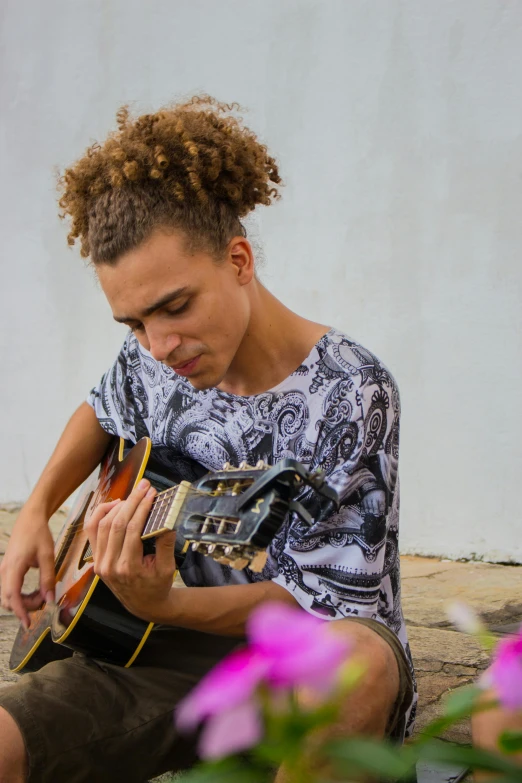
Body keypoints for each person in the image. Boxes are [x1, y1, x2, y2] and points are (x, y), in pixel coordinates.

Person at [0, 96, 416, 783]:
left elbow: (320, 606)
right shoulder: (154, 359)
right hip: (151, 654)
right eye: (133, 323)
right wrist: (38, 512)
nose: (159, 345)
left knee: (354, 662)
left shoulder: (351, 391)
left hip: (293, 667)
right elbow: (102, 409)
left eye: (176, 306)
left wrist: (166, 601)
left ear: (240, 259)